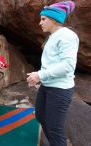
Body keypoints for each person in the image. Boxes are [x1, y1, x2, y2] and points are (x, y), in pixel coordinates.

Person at [27, 1, 79, 146]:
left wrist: (40, 75)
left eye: (43, 19)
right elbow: (53, 63)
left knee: (54, 128)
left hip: (60, 90)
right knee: (40, 116)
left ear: (55, 19)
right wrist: (38, 75)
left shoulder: (67, 36)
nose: (40, 23)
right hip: (48, 86)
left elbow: (68, 66)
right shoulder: (54, 35)